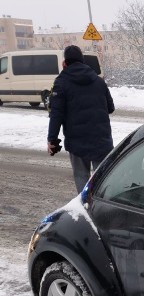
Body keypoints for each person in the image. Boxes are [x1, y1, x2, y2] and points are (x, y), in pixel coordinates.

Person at [47, 45, 115, 193]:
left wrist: (52, 139)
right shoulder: (98, 81)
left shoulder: (61, 83)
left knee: (81, 176)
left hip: (77, 142)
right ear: (83, 61)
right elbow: (110, 108)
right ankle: (103, 209)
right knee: (102, 180)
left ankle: (85, 208)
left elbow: (56, 114)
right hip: (101, 139)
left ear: (64, 63)